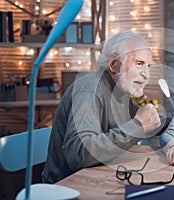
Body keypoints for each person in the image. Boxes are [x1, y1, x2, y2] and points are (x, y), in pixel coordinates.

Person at [42, 31, 161, 183]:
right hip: (67, 187)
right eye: (139, 63)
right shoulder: (89, 90)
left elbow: (147, 118)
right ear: (113, 64)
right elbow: (78, 155)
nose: (146, 75)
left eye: (148, 66)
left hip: (98, 177)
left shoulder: (120, 90)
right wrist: (138, 125)